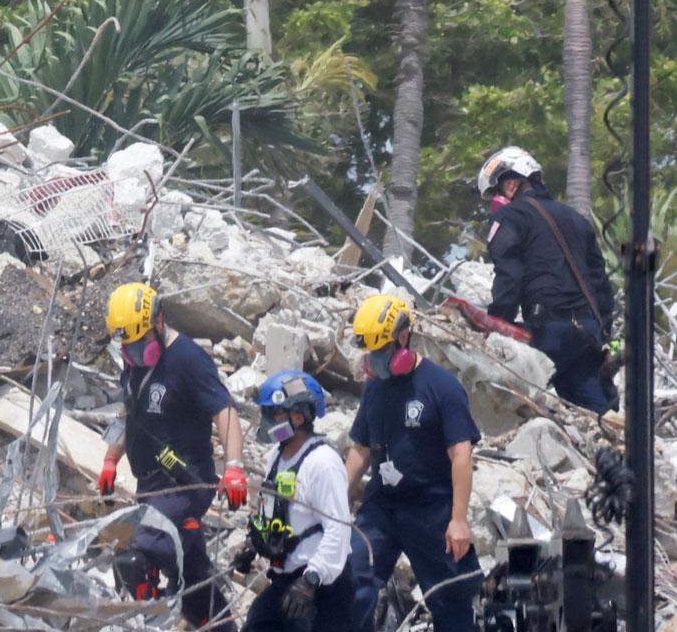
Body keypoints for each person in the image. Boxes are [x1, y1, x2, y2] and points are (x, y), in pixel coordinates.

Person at [99, 282, 245, 631]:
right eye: (126, 346)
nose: (133, 353)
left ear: (159, 322)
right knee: (191, 576)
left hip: (184, 484)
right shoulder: (134, 361)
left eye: (138, 343)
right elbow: (130, 413)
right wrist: (110, 459)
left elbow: (224, 411)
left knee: (137, 561)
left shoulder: (187, 359)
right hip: (150, 486)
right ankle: (221, 626)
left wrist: (234, 467)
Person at [347, 295, 480, 632]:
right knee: (350, 583)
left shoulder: (442, 387)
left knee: (451, 600)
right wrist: (334, 497)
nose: (374, 360)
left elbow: (461, 454)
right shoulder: (374, 389)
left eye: (381, 350)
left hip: (432, 509)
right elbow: (360, 449)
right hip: (382, 507)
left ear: (404, 337)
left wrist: (459, 520)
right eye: (369, 353)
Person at [479, 146, 616, 413]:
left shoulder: (509, 217)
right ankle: (621, 451)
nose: (494, 202)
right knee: (600, 416)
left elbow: (510, 278)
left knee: (506, 401)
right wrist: (604, 328)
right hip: (588, 331)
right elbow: (600, 282)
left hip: (549, 332)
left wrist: (496, 326)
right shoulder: (576, 218)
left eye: (495, 193)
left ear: (509, 184)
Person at [239, 371, 374, 632]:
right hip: (286, 582)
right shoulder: (275, 460)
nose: (267, 421)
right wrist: (252, 547)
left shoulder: (322, 463)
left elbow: (338, 529)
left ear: (298, 417)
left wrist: (311, 580)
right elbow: (272, 516)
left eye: (274, 414)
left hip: (323, 588)